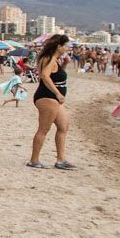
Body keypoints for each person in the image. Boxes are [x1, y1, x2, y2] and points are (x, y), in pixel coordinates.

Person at [27, 32, 75, 169]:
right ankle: (33, 160)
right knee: (44, 129)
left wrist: (64, 65)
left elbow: (56, 76)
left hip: (53, 98)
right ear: (59, 46)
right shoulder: (48, 58)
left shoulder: (54, 59)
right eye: (66, 46)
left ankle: (61, 160)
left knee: (63, 126)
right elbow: (45, 77)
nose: (68, 48)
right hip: (47, 97)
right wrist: (58, 94)